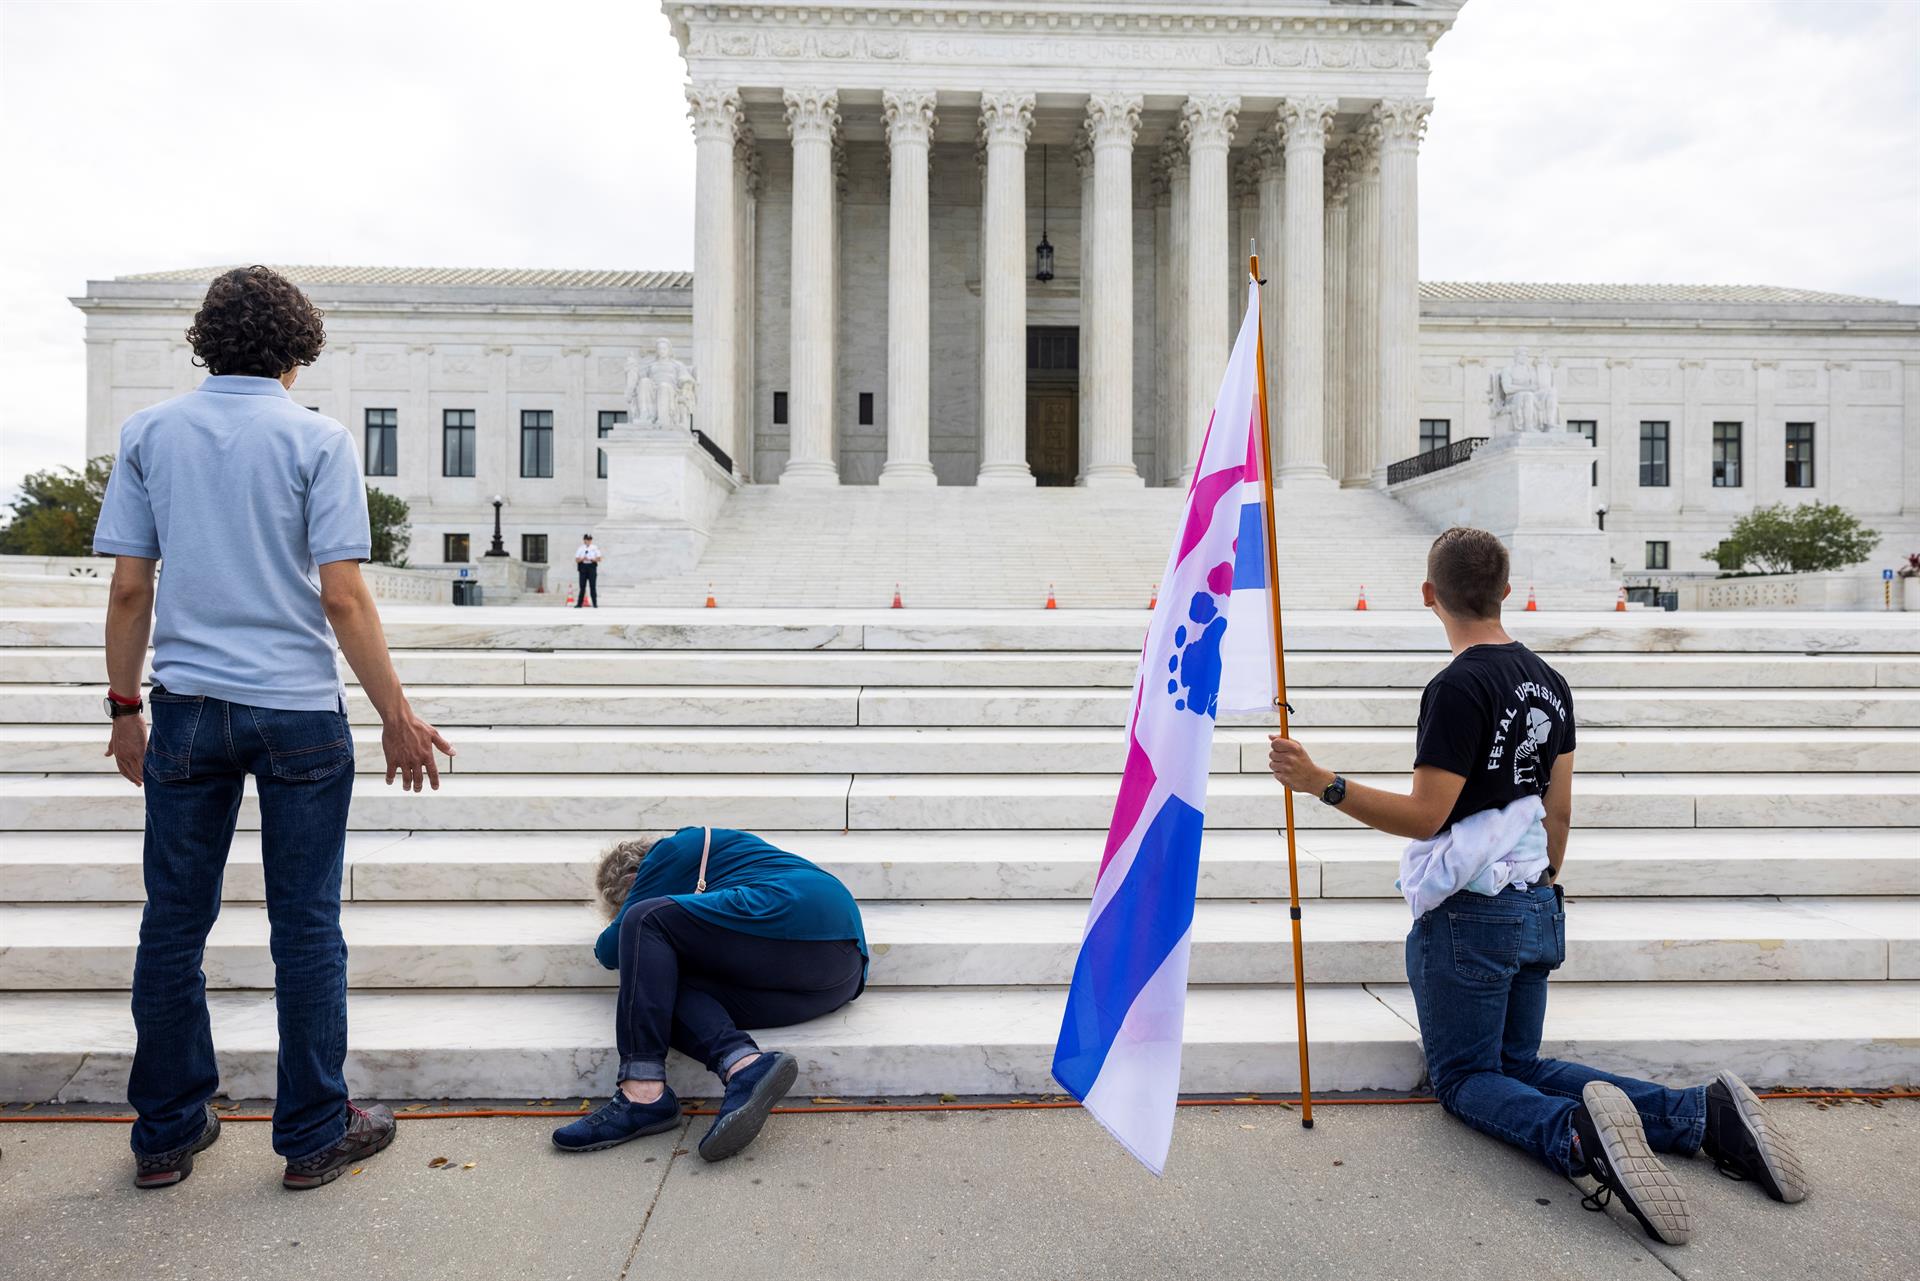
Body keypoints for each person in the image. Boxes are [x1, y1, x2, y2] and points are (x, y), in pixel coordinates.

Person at [1266, 527, 1806, 1247]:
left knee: (1463, 1078)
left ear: (1430, 595)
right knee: (1519, 1064)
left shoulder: (1457, 686)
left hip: (1471, 915)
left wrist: (1321, 783)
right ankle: (1700, 1115)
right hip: (1535, 902)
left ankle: (1575, 1135)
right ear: (1505, 592)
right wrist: (1543, 885)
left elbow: (1427, 816)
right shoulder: (1548, 679)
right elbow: (1560, 808)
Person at [93, 265, 455, 1192]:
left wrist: (124, 707)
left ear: (204, 343)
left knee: (173, 924)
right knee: (306, 926)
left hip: (183, 707)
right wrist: (397, 716)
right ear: (298, 352)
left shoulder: (150, 433)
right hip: (296, 710)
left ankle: (167, 1132)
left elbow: (132, 587)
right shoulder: (317, 438)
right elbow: (343, 596)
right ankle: (312, 1132)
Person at [552, 827, 868, 1161]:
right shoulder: (728, 875)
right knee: (657, 994)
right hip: (833, 978)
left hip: (800, 916)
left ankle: (640, 1093)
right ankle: (744, 1066)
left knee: (643, 919)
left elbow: (610, 950)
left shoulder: (673, 848)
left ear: (633, 876)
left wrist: (629, 916)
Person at [574, 533, 602, 607]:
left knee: (592, 586)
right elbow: (576, 559)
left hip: (591, 566)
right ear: (584, 540)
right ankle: (579, 604)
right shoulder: (580, 548)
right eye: (587, 540)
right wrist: (583, 558)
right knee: (582, 586)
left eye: (590, 540)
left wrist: (592, 559)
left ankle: (595, 603)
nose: (589, 541)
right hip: (583, 567)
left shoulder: (595, 547)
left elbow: (599, 558)